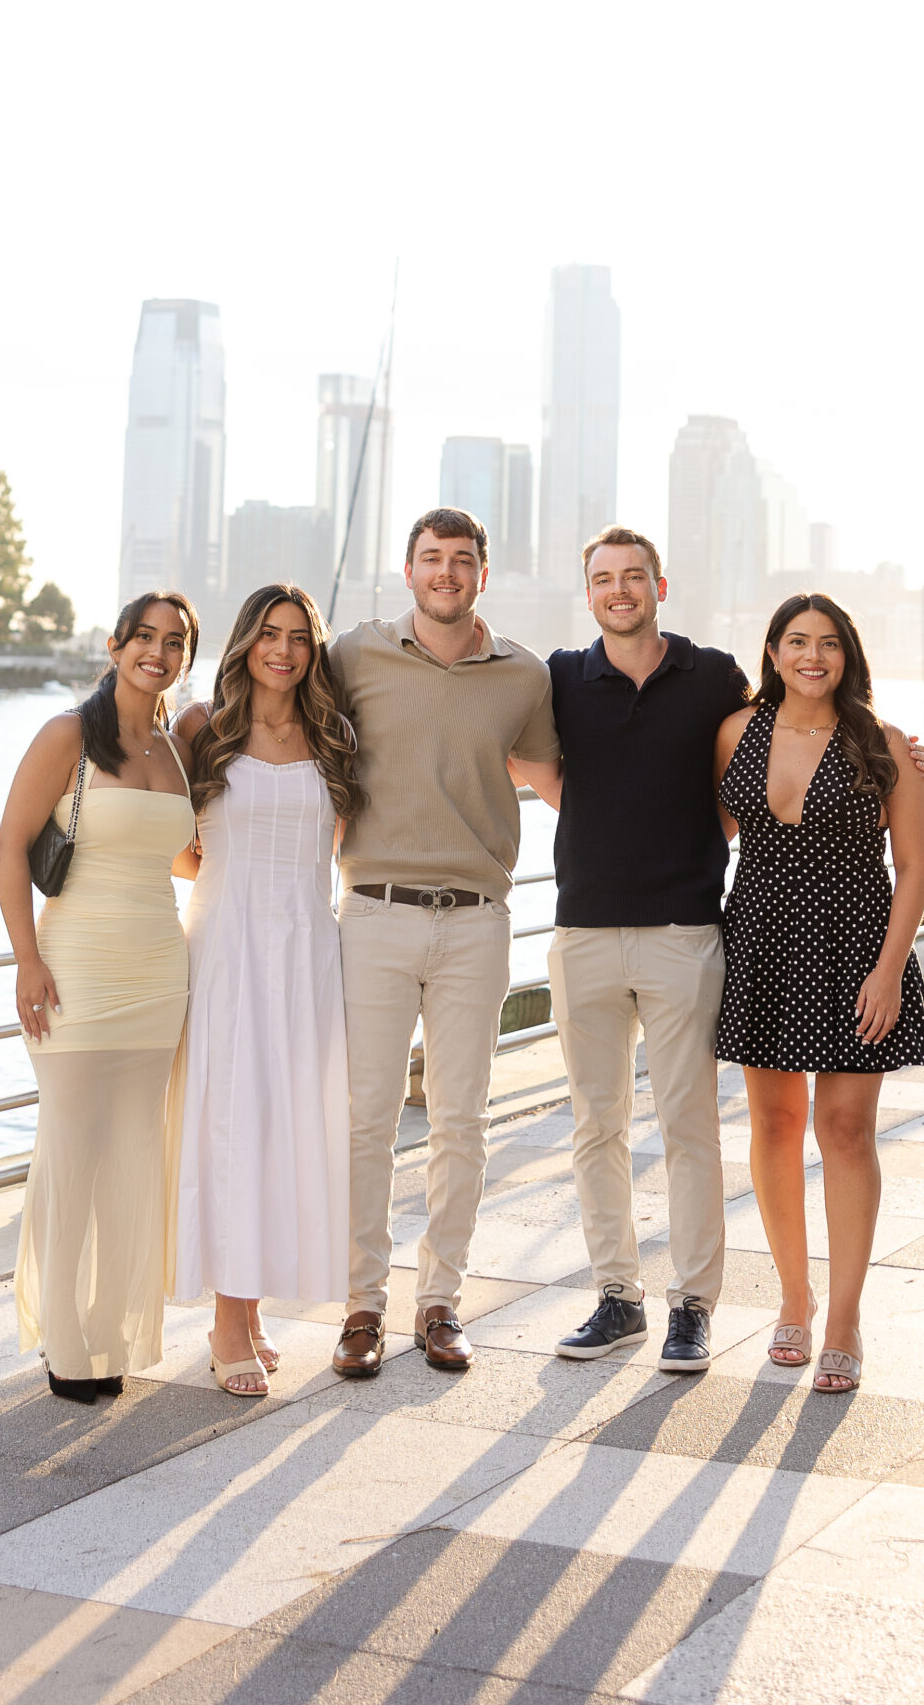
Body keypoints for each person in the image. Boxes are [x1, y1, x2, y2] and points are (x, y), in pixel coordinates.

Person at [327, 508, 561, 1381]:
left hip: (475, 921)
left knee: (461, 1119)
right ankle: (360, 1306)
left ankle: (439, 1304)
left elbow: (562, 780)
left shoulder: (523, 677)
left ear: (482, 575)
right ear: (408, 569)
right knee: (366, 1122)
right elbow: (271, 704)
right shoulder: (355, 654)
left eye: (462, 561)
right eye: (432, 559)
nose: (446, 573)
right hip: (375, 912)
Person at [532, 528, 749, 1375]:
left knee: (688, 1127)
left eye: (632, 577)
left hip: (683, 933)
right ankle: (616, 1297)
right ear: (586, 593)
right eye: (601, 579)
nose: (618, 590)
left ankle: (692, 1307)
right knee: (596, 1126)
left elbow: (788, 729)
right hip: (581, 930)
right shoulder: (558, 677)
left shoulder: (714, 674)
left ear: (660, 583)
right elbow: (509, 743)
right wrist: (582, 813)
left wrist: (896, 750)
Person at [714, 592, 924, 1396]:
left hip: (855, 951)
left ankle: (843, 1318)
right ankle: (793, 1299)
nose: (813, 656)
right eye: (797, 641)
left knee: (844, 1130)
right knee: (774, 1125)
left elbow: (912, 867)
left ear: (848, 656)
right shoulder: (736, 733)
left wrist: (888, 971)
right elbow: (701, 834)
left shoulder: (880, 744)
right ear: (771, 651)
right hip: (762, 947)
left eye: (829, 643)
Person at [0, 592, 198, 1400]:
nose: (157, 651)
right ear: (114, 646)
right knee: (72, 1152)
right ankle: (66, 1342)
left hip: (158, 968)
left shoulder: (178, 745)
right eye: (144, 637)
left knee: (133, 1155)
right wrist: (24, 960)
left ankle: (112, 1331)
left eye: (174, 641)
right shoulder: (68, 736)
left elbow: (178, 857)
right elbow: (10, 847)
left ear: (186, 657)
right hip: (72, 966)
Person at [171, 583, 362, 1398]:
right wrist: (229, 883)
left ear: (312, 651)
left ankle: (248, 1314)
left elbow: (342, 841)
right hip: (225, 947)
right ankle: (226, 1320)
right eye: (268, 635)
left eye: (297, 638)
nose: (282, 650)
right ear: (245, 642)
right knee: (230, 1124)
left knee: (285, 1126)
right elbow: (171, 844)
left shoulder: (334, 737)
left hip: (308, 950)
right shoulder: (198, 731)